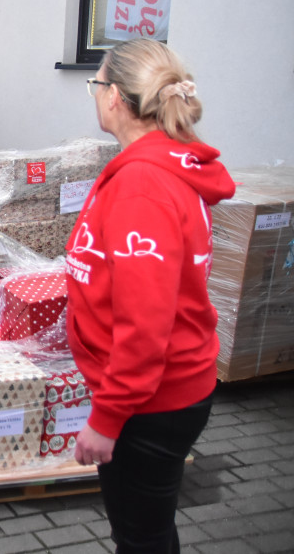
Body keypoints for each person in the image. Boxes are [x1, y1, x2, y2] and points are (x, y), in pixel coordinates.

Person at [66, 38, 235, 553]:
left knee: (141, 538)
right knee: (148, 531)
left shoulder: (143, 183)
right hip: (158, 393)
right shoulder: (160, 166)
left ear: (115, 96)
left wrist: (107, 419)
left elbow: (146, 322)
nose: (94, 94)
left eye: (96, 84)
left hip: (149, 403)